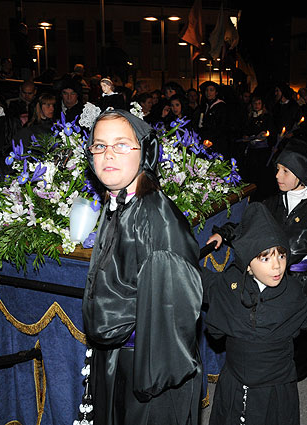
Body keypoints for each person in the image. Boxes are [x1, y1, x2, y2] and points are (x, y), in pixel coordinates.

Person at [81, 109, 202, 424]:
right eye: (99, 145)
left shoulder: (154, 220)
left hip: (148, 372)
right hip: (120, 357)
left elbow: (175, 313)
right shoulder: (121, 202)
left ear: (144, 152)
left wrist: (148, 388)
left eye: (121, 145)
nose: (108, 154)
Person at [208, 139, 307, 382]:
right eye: (278, 168)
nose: (277, 175)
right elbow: (250, 228)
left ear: (299, 175)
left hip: (302, 283)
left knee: (297, 341)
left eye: (285, 171)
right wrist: (224, 233)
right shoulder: (272, 202)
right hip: (271, 279)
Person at [201, 202, 307, 425]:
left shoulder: (292, 292)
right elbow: (202, 281)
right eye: (265, 258)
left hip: (276, 385)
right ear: (247, 265)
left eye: (281, 256)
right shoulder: (229, 285)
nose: (277, 266)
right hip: (235, 381)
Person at [237, 95, 276, 202]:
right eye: (255, 103)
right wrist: (246, 137)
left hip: (263, 151)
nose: (257, 106)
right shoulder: (249, 118)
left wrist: (267, 138)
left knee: (263, 175)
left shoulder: (267, 117)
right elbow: (245, 131)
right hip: (252, 151)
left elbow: (271, 132)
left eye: (259, 103)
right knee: (252, 174)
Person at [197, 81, 231, 158]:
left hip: (217, 141)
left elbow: (222, 126)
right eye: (206, 90)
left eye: (211, 90)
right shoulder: (204, 106)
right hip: (206, 140)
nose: (208, 93)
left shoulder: (221, 106)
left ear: (216, 92)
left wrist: (211, 139)